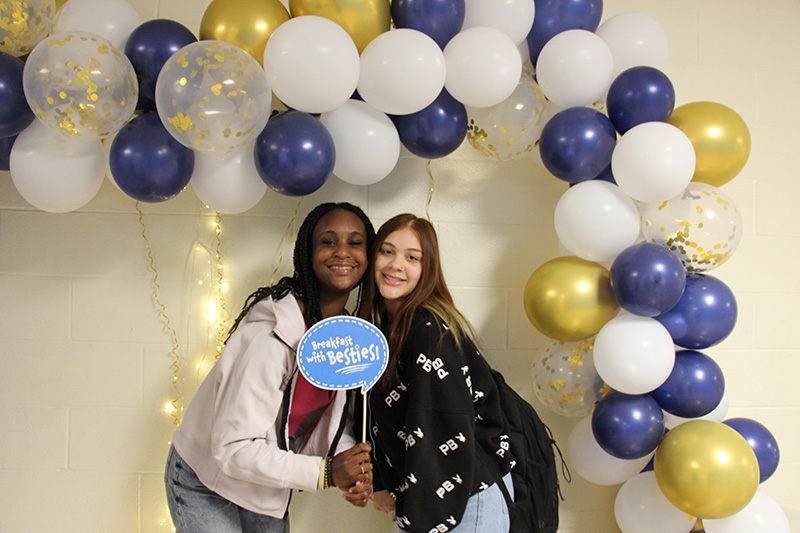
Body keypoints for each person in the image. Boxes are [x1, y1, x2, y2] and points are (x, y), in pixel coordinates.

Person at [165, 202, 376, 533]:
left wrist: (351, 467)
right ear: (308, 252)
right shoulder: (270, 337)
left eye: (355, 242)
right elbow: (233, 449)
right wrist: (326, 472)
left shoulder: (344, 339)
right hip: (206, 479)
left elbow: (336, 421)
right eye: (328, 241)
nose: (343, 252)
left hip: (261, 482)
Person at [358, 214, 513, 533]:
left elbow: (439, 430)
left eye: (412, 257)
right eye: (387, 252)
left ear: (427, 270)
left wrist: (414, 518)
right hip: (431, 499)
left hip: (463, 501)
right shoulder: (386, 330)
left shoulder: (426, 331)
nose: (395, 265)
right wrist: (382, 483)